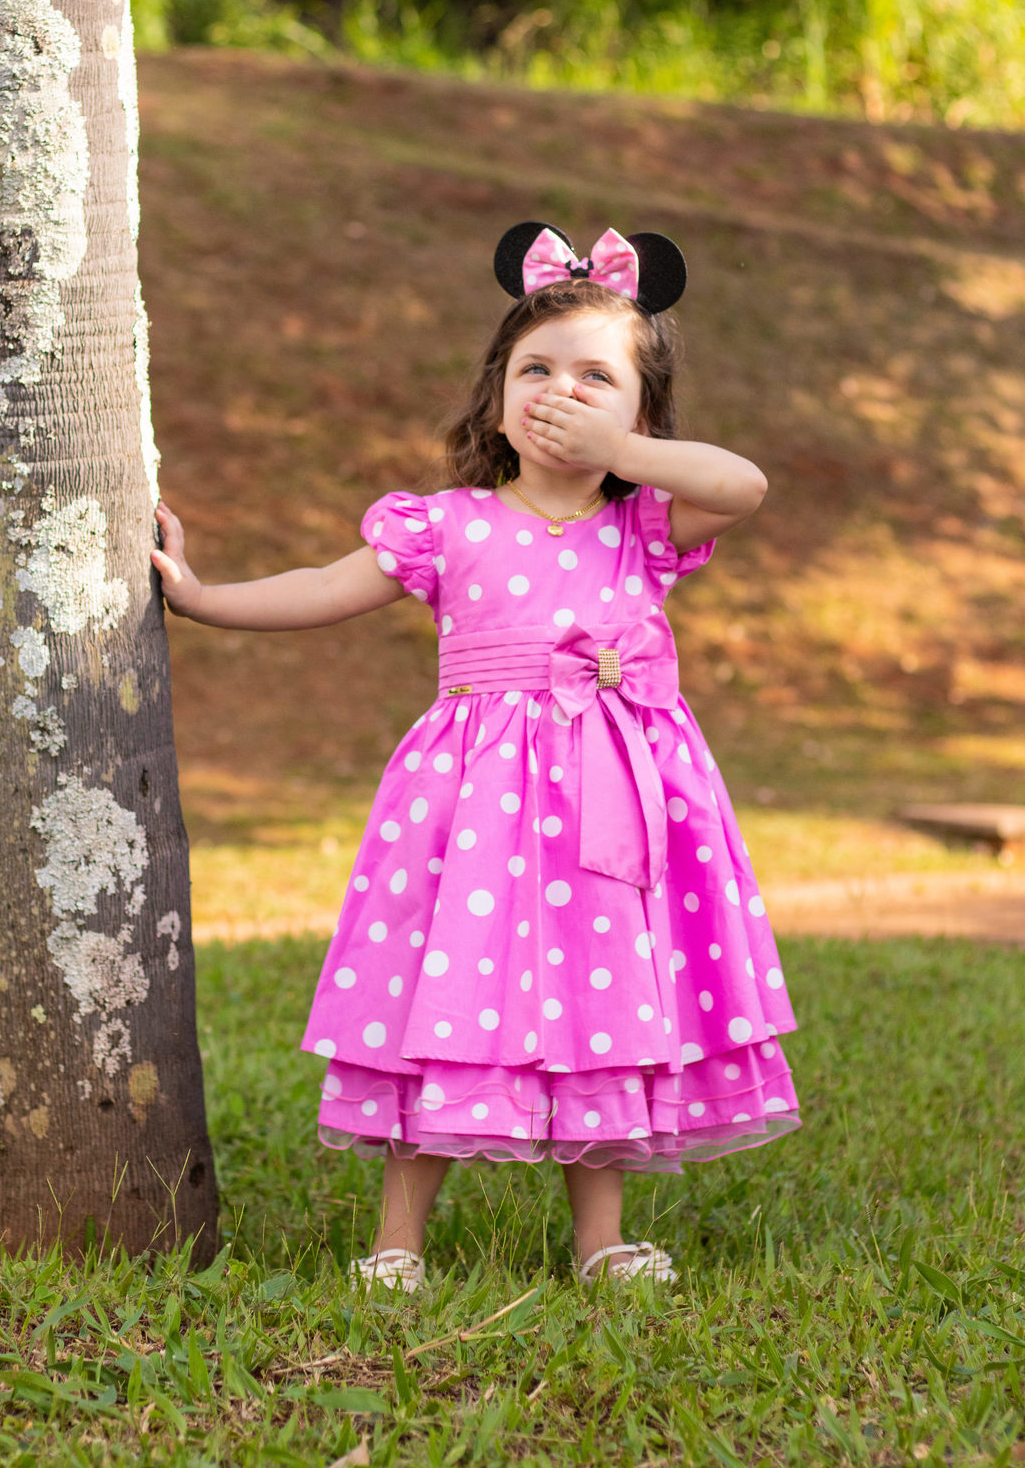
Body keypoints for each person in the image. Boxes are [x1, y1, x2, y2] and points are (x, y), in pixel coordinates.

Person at [151, 219, 799, 1291]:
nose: (560, 391)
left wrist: (624, 459)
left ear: (642, 411)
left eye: (597, 377)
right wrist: (204, 598)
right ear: (497, 391)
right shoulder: (446, 524)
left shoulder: (646, 522)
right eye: (535, 369)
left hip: (616, 807)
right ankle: (397, 1242)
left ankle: (602, 1243)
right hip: (475, 804)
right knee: (440, 998)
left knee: (609, 1004)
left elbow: (748, 484)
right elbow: (325, 587)